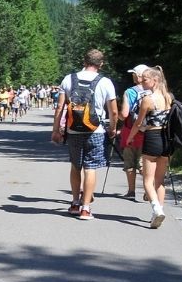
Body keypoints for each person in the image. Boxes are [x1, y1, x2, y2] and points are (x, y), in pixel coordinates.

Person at [50, 49, 118, 220]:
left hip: (73, 130)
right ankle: (86, 209)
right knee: (90, 168)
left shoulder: (68, 78)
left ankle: (74, 203)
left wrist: (56, 130)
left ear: (84, 61)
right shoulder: (105, 82)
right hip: (95, 130)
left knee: (75, 166)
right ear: (101, 64)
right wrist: (112, 129)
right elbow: (114, 111)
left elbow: (59, 107)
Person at [124, 66, 173, 228]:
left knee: (147, 180)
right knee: (160, 181)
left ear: (155, 81)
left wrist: (129, 138)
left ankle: (157, 210)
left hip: (152, 138)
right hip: (166, 139)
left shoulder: (148, 99)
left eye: (145, 79)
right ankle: (158, 211)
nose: (142, 81)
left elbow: (138, 123)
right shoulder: (168, 97)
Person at [117, 64, 149, 201]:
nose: (133, 76)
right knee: (144, 162)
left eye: (134, 73)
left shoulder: (130, 92)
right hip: (149, 132)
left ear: (140, 76)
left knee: (129, 162)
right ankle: (149, 189)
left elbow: (124, 114)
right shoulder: (153, 91)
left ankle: (131, 191)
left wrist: (116, 116)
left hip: (130, 130)